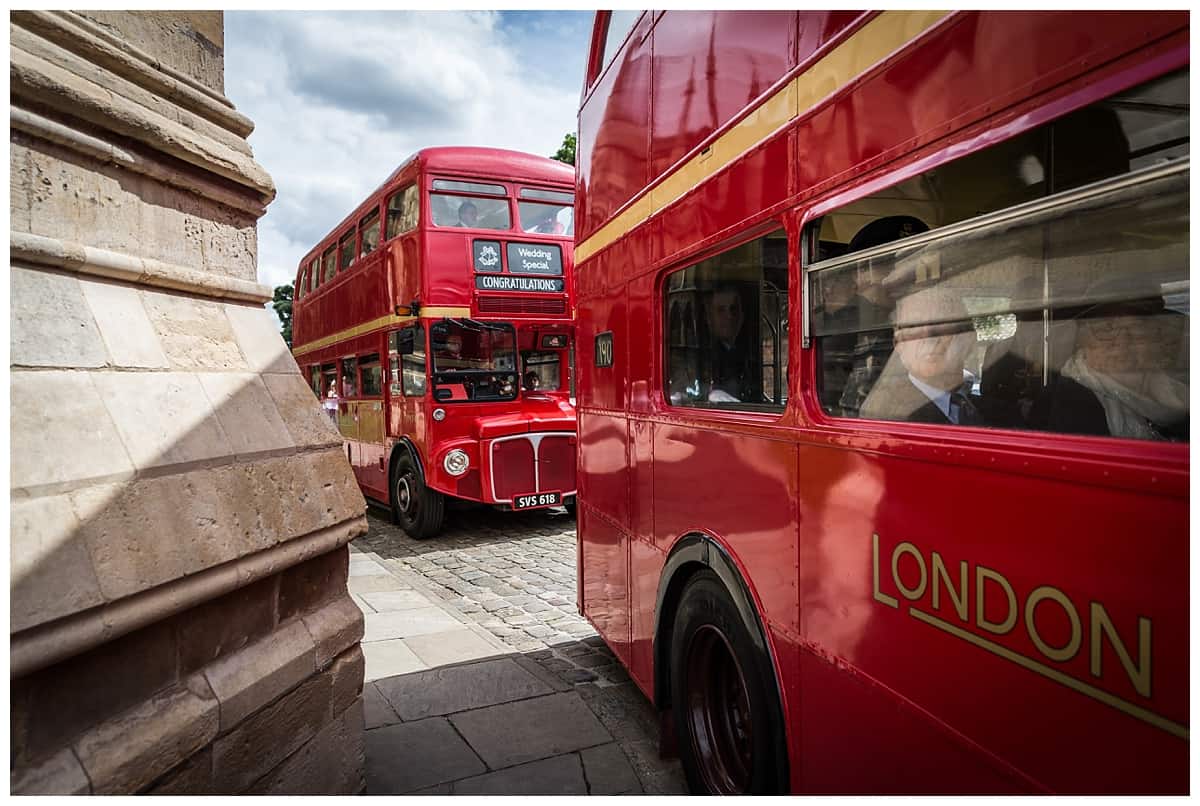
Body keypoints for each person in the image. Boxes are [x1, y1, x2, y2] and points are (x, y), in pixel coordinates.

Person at [1031, 293, 1188, 440]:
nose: (1122, 342)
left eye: (1136, 328)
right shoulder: (1059, 399)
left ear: (1154, 337)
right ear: (1082, 340)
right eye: (1106, 329)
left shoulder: (1181, 388)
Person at [860, 284, 983, 426]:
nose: (928, 335)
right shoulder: (885, 416)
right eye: (912, 326)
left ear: (970, 337)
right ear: (898, 343)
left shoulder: (985, 403)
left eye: (941, 322)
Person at [703, 284, 757, 403]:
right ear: (710, 318)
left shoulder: (747, 352)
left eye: (733, 309)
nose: (729, 316)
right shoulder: (703, 357)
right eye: (721, 310)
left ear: (742, 315)